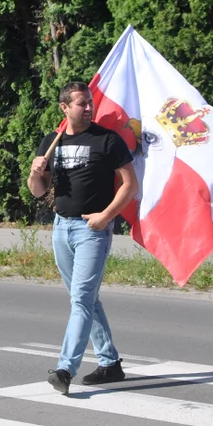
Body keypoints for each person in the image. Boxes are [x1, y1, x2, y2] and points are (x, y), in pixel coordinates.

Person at [28, 81, 139, 395]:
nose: (89, 107)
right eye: (81, 103)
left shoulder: (107, 140)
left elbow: (130, 185)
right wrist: (35, 173)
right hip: (61, 228)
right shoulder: (53, 140)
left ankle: (65, 369)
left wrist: (106, 217)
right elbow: (38, 191)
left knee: (81, 299)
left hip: (93, 230)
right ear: (65, 108)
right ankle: (110, 362)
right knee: (86, 300)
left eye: (90, 102)